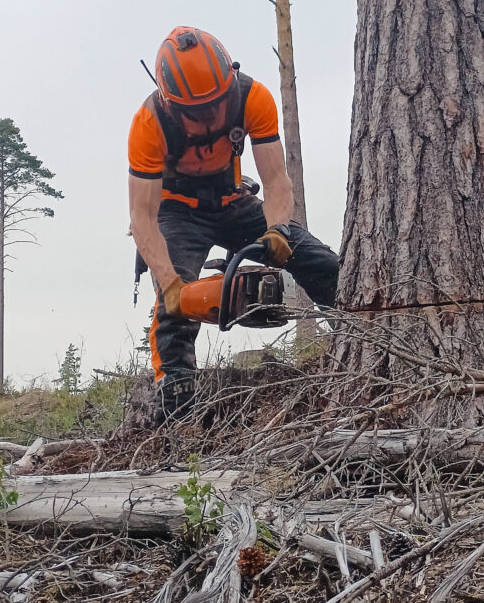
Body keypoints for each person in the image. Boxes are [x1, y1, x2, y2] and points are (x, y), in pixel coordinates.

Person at [128, 26, 338, 422]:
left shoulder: (252, 97)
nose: (209, 118)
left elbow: (276, 180)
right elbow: (142, 216)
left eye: (215, 106)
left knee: (318, 260)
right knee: (174, 303)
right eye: (198, 112)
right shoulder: (148, 124)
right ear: (171, 104)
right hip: (176, 212)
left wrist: (278, 229)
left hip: (233, 201)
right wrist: (171, 284)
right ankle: (175, 392)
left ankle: (357, 333)